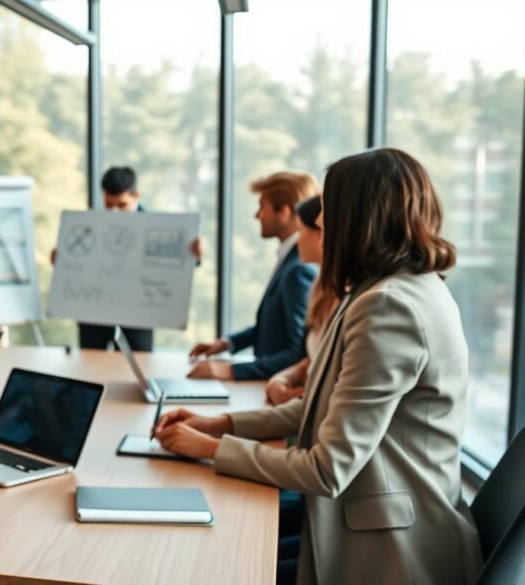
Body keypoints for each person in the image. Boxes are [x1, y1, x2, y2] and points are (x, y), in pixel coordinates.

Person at [154, 148, 482, 585]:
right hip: (368, 524)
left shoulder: (389, 308)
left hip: (395, 555)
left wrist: (210, 449)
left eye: (327, 214)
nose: (321, 225)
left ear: (356, 218)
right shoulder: (385, 292)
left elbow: (326, 470)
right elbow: (320, 409)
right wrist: (219, 424)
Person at [54, 166, 203, 352]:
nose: (115, 212)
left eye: (122, 205)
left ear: (136, 195)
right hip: (94, 319)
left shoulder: (159, 228)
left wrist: (194, 254)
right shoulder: (90, 226)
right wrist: (62, 262)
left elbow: (175, 268)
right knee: (90, 370)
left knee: (139, 372)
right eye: (109, 205)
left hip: (137, 320)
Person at [189, 171, 318, 381]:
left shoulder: (298, 269)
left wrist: (229, 370)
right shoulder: (288, 260)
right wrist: (226, 343)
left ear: (283, 212)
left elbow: (298, 353)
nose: (257, 215)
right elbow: (272, 327)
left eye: (262, 207)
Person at [262, 195, 338, 406]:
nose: (297, 240)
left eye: (302, 231)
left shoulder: (350, 299)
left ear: (322, 234)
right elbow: (310, 360)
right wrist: (279, 380)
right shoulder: (321, 289)